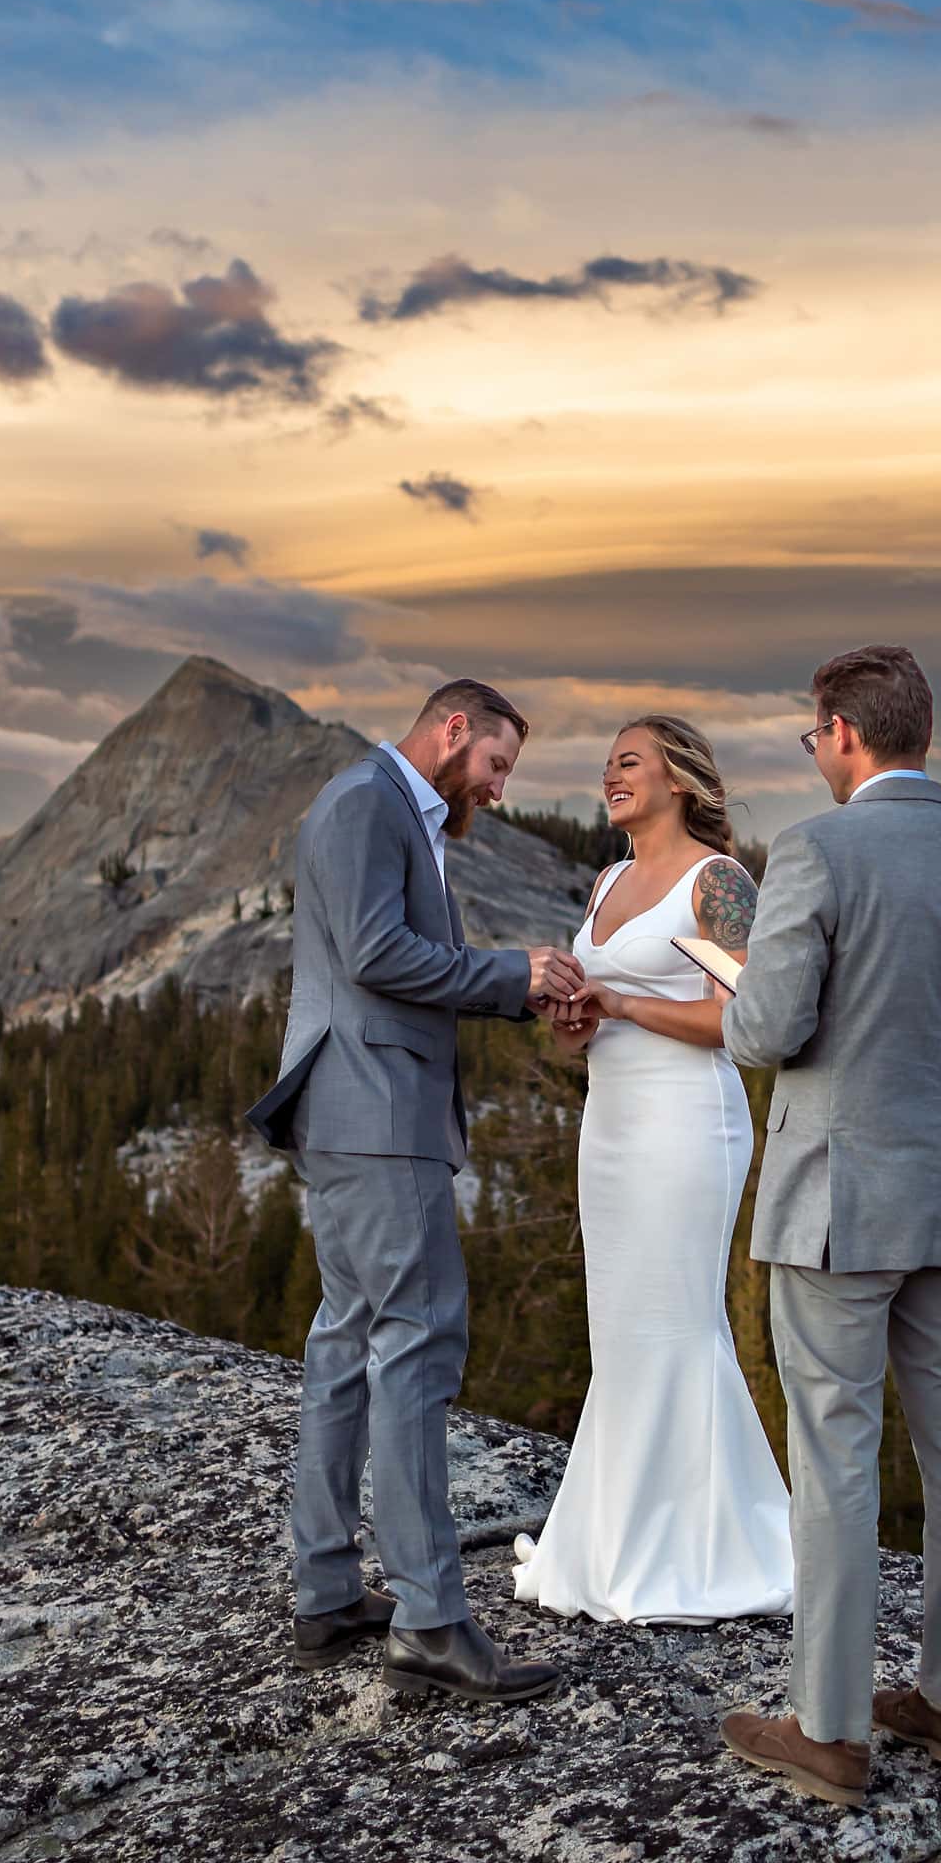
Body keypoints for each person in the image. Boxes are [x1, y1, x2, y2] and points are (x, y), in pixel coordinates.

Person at [713, 646, 941, 1808]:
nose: (819, 754)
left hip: (841, 1206)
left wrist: (743, 979)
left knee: (836, 1453)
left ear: (845, 732)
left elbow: (762, 1032)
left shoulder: (816, 849)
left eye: (816, 737)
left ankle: (831, 1726)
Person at [246, 677, 584, 1703]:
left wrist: (514, 991)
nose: (498, 784)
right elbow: (378, 953)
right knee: (417, 1344)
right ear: (452, 729)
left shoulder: (392, 810)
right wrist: (512, 977)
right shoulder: (365, 803)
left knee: (347, 1344)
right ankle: (433, 1619)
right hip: (376, 1118)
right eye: (495, 761)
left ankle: (327, 1589)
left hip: (365, 1119)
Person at [509, 716, 796, 1625]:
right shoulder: (605, 883)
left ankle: (705, 1548)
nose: (611, 775)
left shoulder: (719, 882)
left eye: (628, 761)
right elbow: (586, 1036)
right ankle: (618, 1534)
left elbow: (742, 1020)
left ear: (678, 778)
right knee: (622, 1331)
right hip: (613, 1123)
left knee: (676, 1321)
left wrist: (624, 1003)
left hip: (686, 1123)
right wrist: (576, 1026)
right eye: (608, 765)